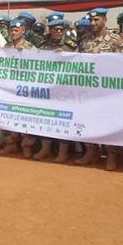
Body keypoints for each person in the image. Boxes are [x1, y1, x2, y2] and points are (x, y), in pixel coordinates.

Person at [77, 8, 122, 169]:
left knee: (109, 123)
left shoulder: (115, 40)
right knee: (88, 121)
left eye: (97, 20)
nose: (93, 23)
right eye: (91, 20)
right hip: (89, 90)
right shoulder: (85, 40)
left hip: (108, 91)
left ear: (104, 20)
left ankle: (111, 155)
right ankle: (91, 152)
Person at [0, 19, 38, 157]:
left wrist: (26, 56)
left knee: (25, 117)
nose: (13, 32)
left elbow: (38, 68)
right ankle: (11, 143)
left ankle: (26, 145)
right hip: (9, 89)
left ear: (23, 31)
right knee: (8, 117)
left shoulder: (30, 48)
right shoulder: (7, 46)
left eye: (16, 30)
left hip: (24, 90)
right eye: (11, 30)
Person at [41, 18, 77, 162]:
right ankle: (45, 148)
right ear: (50, 30)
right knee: (45, 118)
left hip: (64, 89)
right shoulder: (43, 45)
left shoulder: (71, 45)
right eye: (55, 29)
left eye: (61, 29)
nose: (58, 31)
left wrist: (66, 54)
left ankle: (63, 151)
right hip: (47, 88)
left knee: (62, 120)